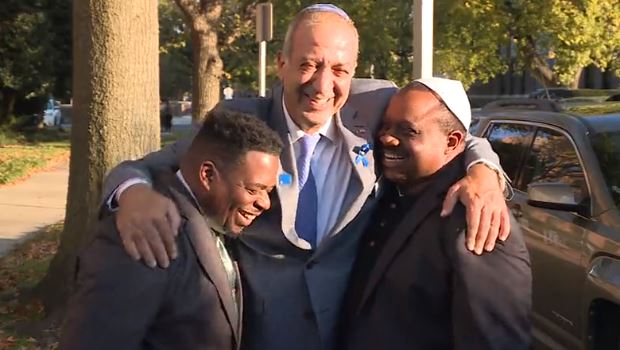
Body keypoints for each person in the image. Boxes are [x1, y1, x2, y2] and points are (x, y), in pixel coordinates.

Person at [102, 4, 511, 350]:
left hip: (352, 332)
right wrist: (133, 194)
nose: (323, 85)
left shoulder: (377, 104)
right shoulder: (238, 123)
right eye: (309, 65)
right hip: (260, 334)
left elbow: (457, 134)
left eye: (339, 69)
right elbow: (139, 167)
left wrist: (485, 171)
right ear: (281, 63)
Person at [59, 109, 282, 350]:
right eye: (253, 189)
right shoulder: (144, 236)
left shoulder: (217, 218)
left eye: (268, 191)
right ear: (207, 175)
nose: (265, 203)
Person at [344, 78, 532, 349]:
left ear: (453, 142)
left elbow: (494, 341)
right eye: (385, 125)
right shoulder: (395, 190)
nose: (386, 137)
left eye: (407, 130)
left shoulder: (476, 221)